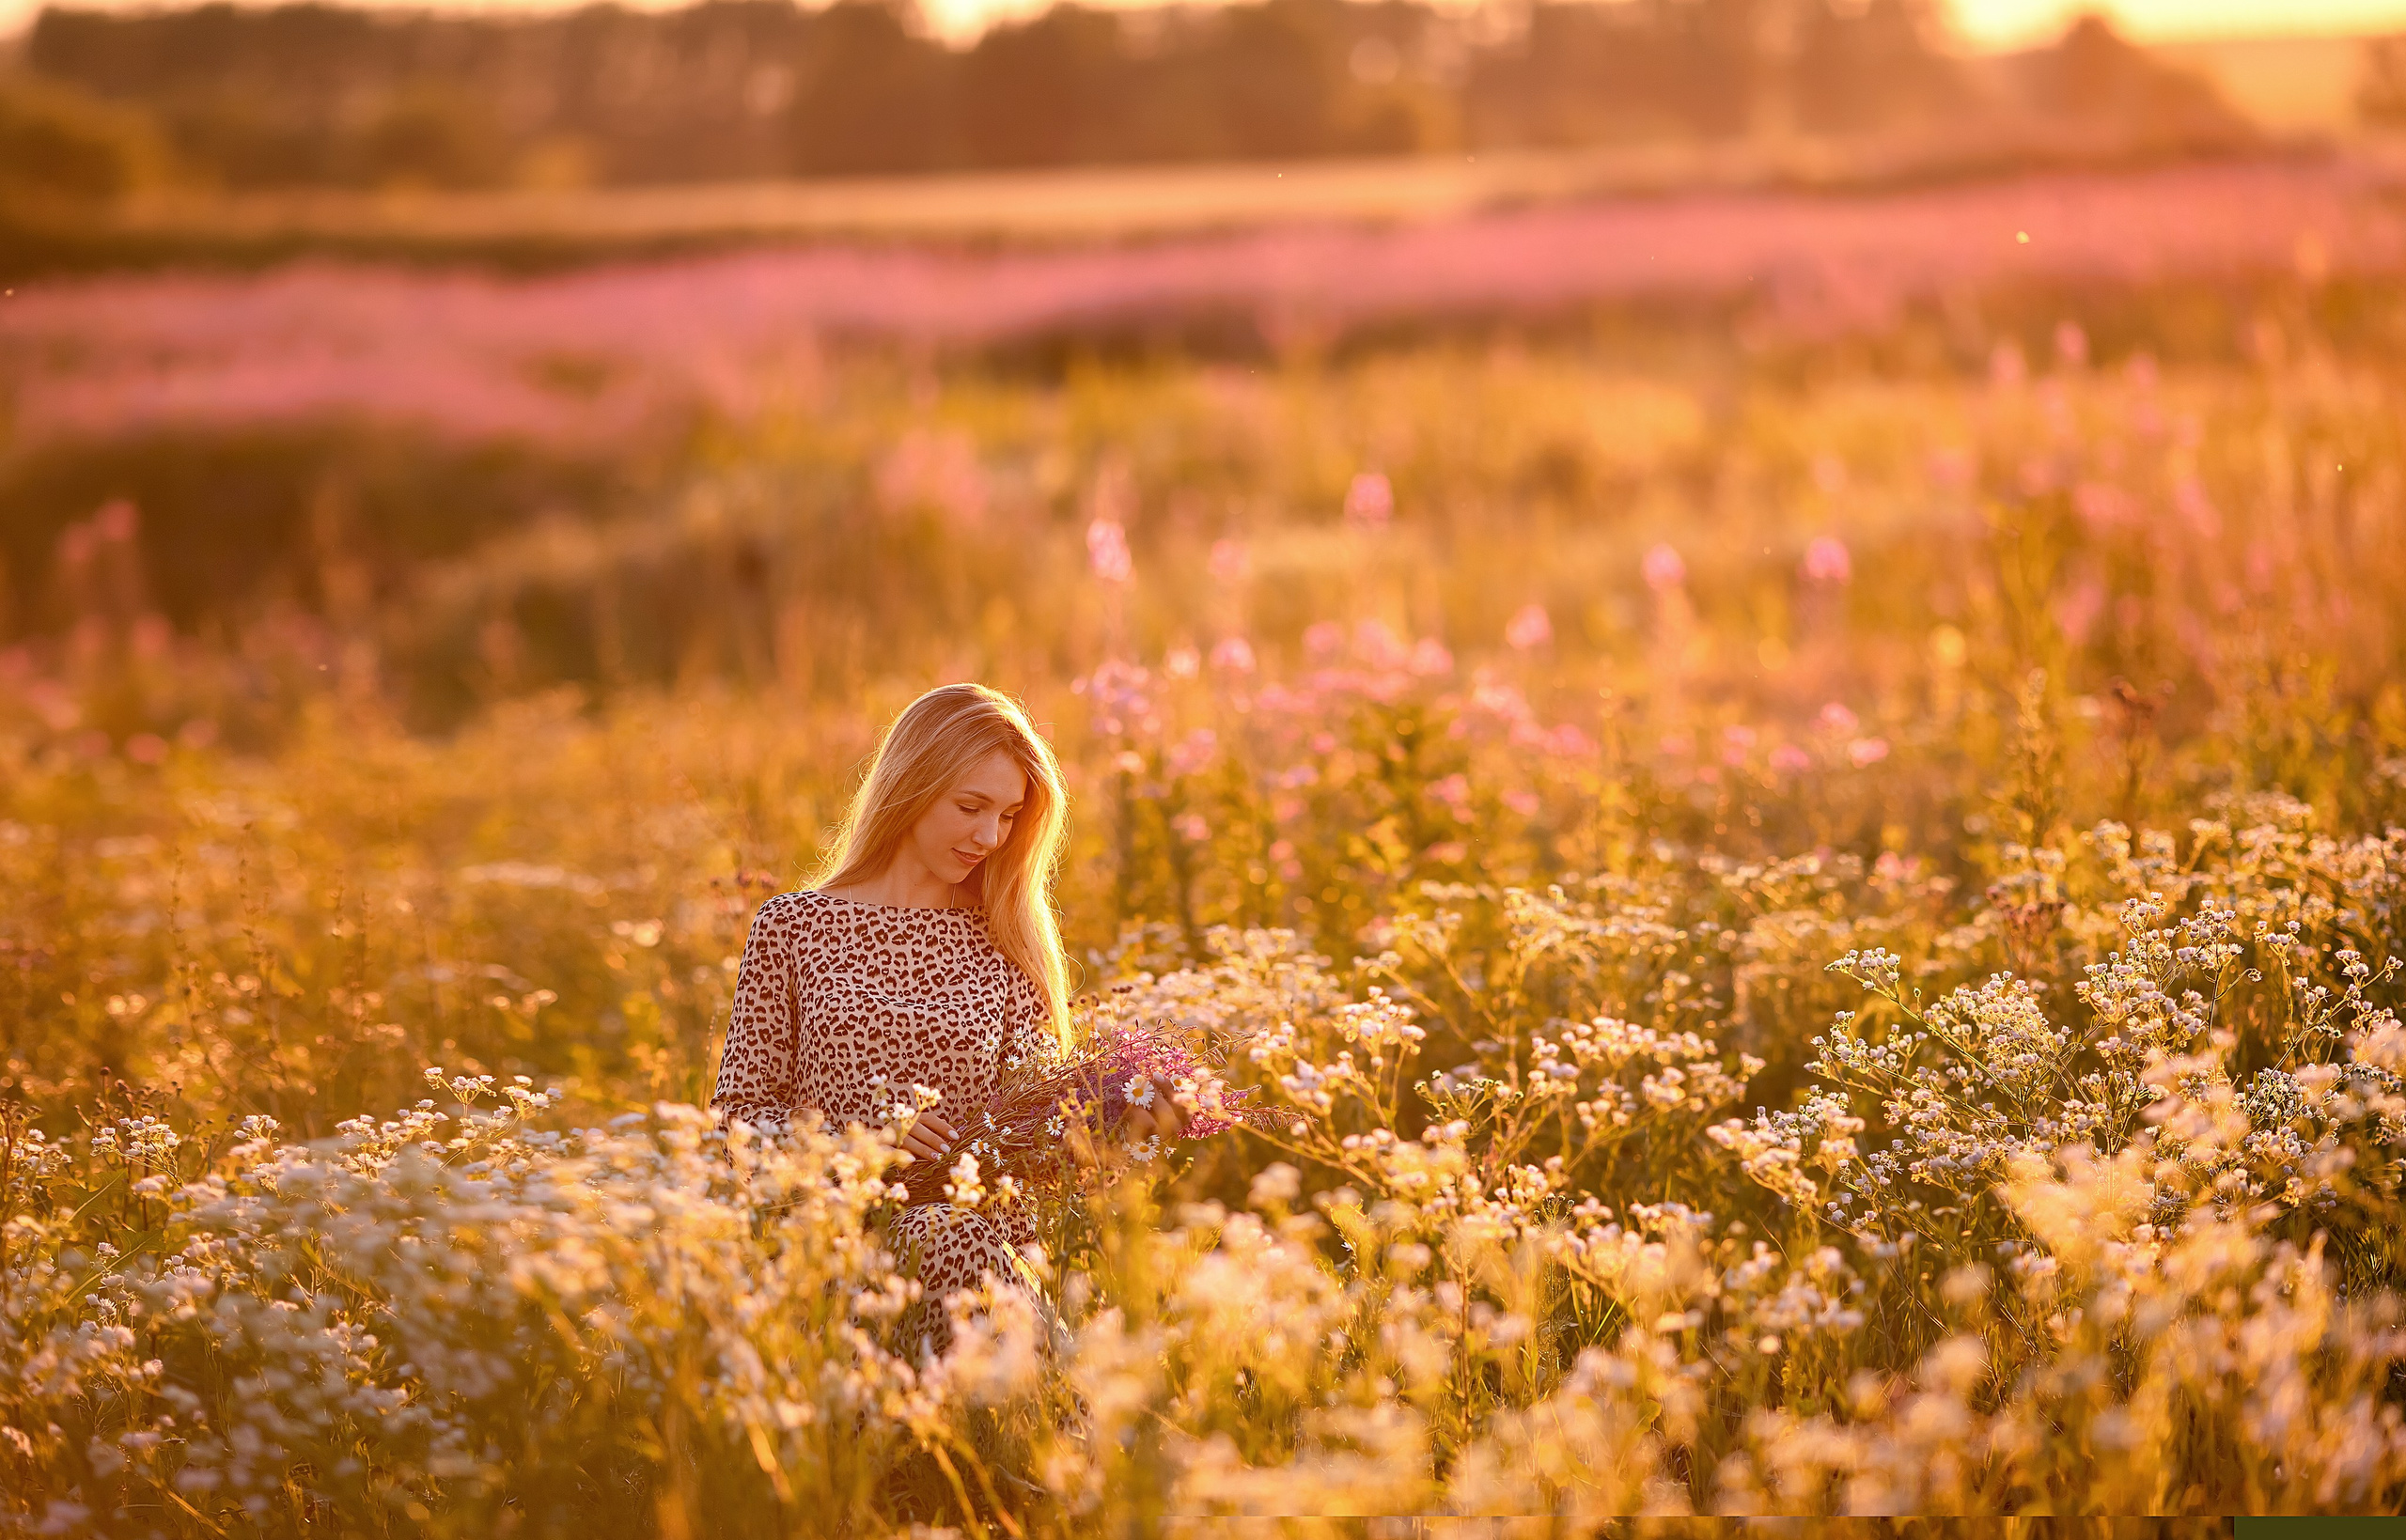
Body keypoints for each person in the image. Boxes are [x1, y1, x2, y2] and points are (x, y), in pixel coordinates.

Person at [711, 682, 1190, 1353]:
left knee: (954, 1234)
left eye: (1008, 816)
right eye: (971, 806)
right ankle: (1078, 1428)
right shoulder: (793, 927)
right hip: (833, 1247)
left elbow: (1038, 1136)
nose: (989, 836)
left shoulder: (1003, 941)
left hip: (976, 1257)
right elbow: (736, 1124)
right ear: (912, 784)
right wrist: (859, 1142)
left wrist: (1112, 1121)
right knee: (950, 1238)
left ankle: (1065, 1422)